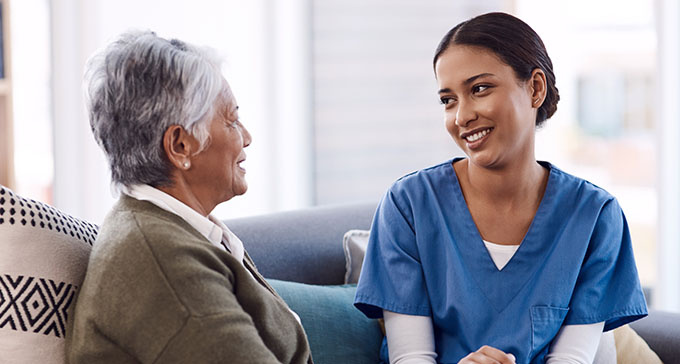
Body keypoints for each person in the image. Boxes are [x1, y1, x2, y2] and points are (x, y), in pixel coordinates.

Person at [354, 12, 647, 364]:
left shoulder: (595, 216)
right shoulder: (409, 206)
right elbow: (410, 357)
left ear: (535, 88)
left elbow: (573, 358)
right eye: (448, 100)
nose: (461, 116)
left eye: (479, 89)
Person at [67, 31, 312, 364]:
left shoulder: (172, 229)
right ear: (180, 146)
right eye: (232, 120)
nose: (247, 137)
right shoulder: (161, 261)